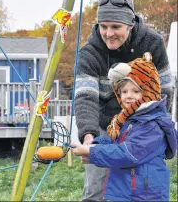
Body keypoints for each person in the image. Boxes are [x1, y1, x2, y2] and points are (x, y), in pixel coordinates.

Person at [74, 0, 174, 201]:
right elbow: (86, 96)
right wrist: (88, 135)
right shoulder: (89, 52)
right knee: (96, 188)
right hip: (107, 126)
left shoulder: (152, 43)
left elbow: (165, 89)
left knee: (140, 184)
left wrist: (157, 127)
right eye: (104, 26)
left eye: (115, 27)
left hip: (144, 125)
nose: (109, 33)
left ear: (130, 25)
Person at [72, 53, 177, 201]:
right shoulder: (129, 120)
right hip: (127, 192)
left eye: (136, 91)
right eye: (124, 91)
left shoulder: (152, 124)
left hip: (144, 196)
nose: (129, 96)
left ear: (149, 91)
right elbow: (115, 143)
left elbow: (128, 154)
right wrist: (93, 145)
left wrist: (92, 152)